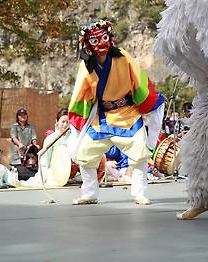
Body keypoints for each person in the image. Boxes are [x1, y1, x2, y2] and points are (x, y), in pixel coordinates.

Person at [67, 20, 165, 206]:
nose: (101, 44)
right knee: (84, 153)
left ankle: (139, 193)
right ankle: (89, 194)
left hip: (127, 114)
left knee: (140, 152)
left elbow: (139, 82)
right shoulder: (86, 66)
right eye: (95, 41)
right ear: (88, 45)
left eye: (104, 38)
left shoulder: (123, 57)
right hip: (101, 118)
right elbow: (81, 95)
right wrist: (78, 120)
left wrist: (149, 102)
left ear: (110, 38)